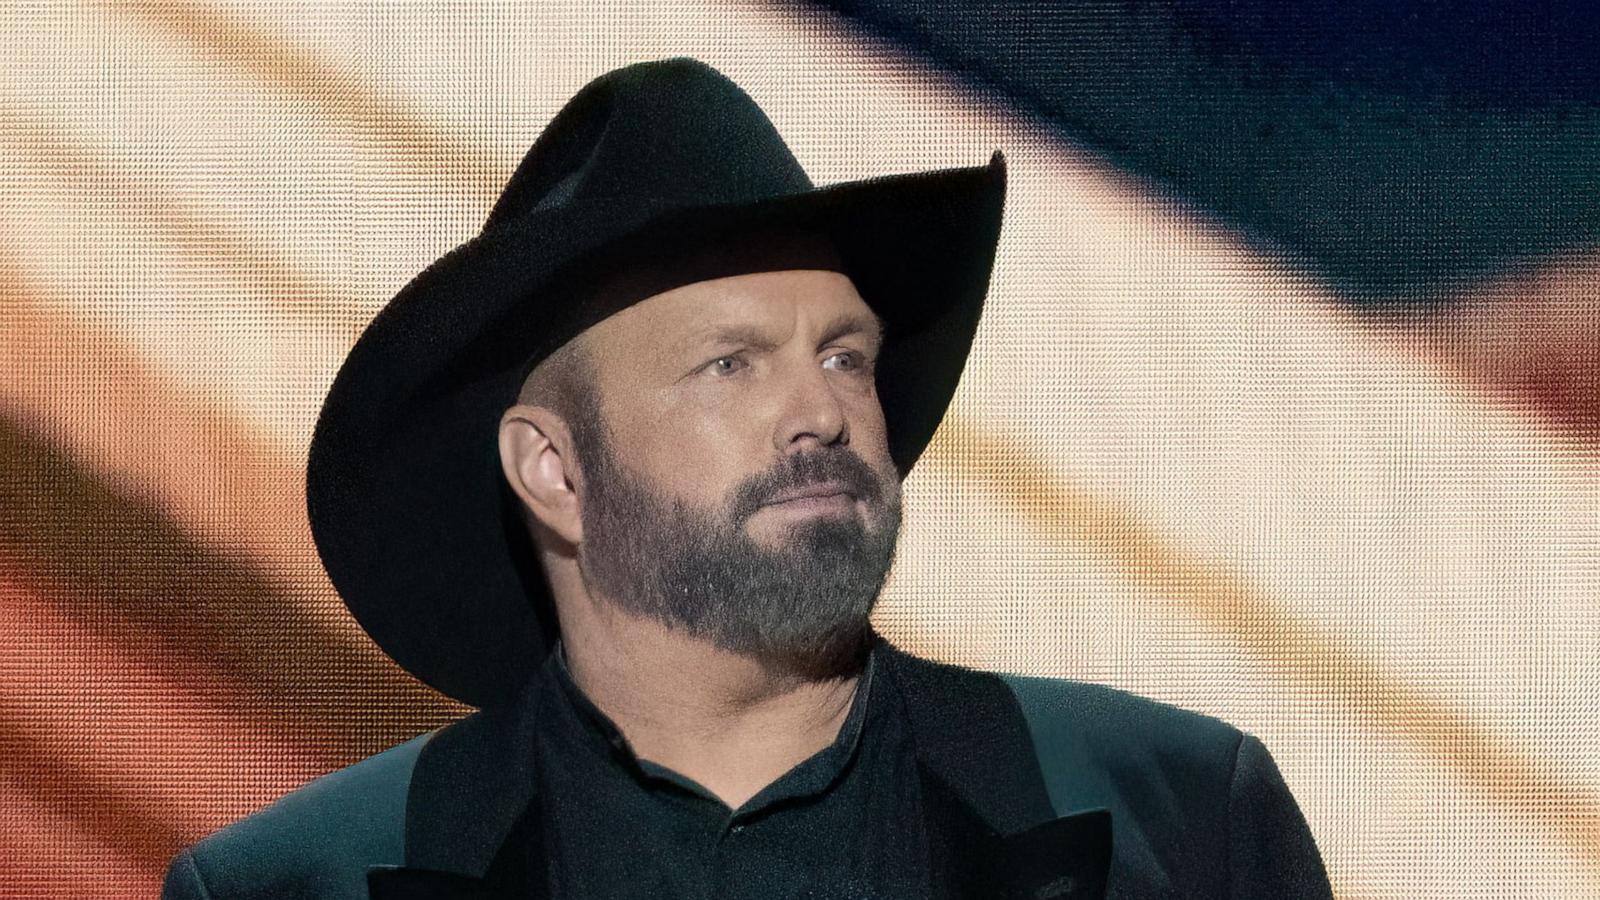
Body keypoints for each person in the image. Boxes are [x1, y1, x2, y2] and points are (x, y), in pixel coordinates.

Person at [160, 56, 1333, 900]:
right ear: (554, 469)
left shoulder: (1184, 821)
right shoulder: (292, 887)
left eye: (844, 354)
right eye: (730, 365)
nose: (822, 410)